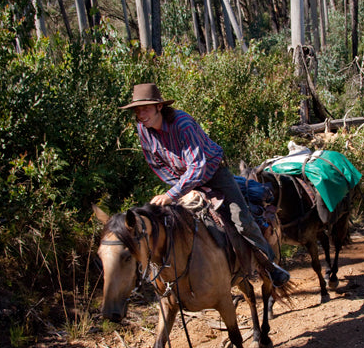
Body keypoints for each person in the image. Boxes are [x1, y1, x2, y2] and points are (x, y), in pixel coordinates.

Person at [120, 83, 290, 287]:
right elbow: (156, 163)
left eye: (145, 108)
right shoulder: (143, 129)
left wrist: (172, 194)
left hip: (214, 174)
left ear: (159, 107)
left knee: (241, 219)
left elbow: (197, 166)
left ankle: (270, 266)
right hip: (183, 180)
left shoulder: (182, 124)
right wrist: (179, 187)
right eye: (137, 110)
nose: (141, 114)